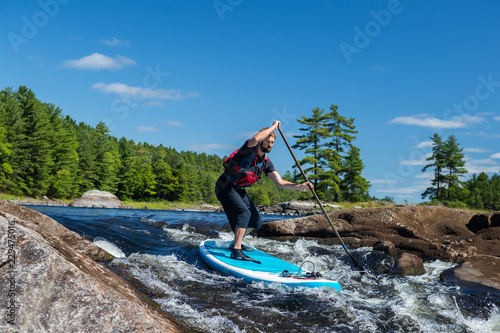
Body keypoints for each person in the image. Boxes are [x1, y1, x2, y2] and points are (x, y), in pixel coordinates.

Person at [215, 120, 313, 262]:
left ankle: (237, 242)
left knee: (254, 217)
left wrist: (299, 186)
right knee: (244, 213)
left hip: (238, 189)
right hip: (225, 186)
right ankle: (236, 250)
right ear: (262, 141)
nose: (270, 145)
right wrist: (274, 127)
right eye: (268, 141)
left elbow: (279, 182)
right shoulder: (248, 150)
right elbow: (255, 138)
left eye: (273, 142)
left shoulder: (266, 162)